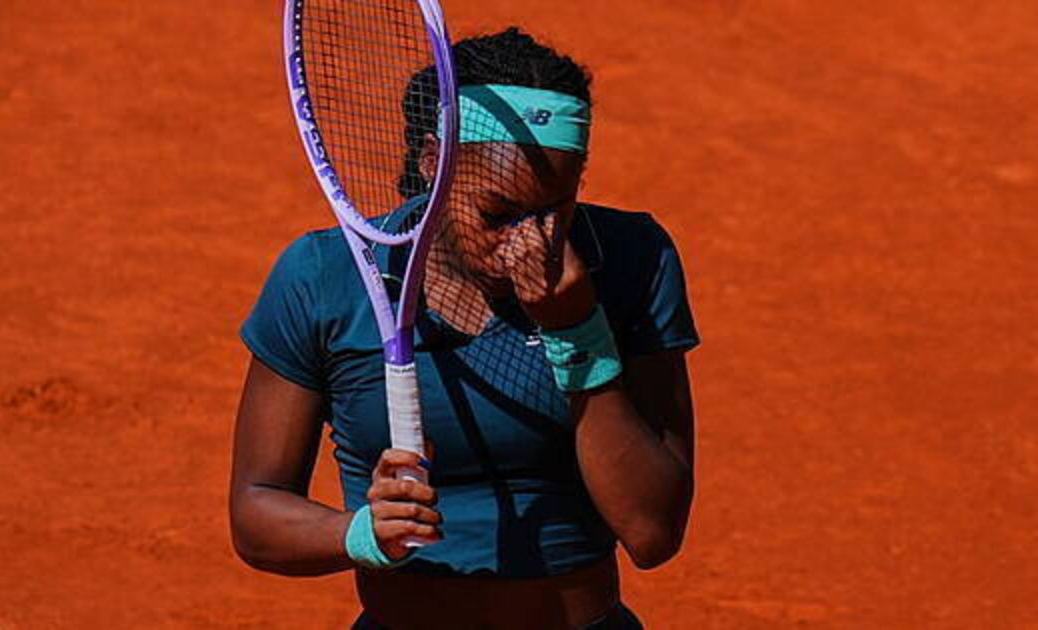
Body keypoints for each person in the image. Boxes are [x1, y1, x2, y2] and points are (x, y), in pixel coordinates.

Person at [230, 27, 698, 630]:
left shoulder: (632, 259)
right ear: (434, 163)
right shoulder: (324, 277)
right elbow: (255, 511)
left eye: (556, 209)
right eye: (497, 214)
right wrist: (359, 534)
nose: (531, 243)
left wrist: (578, 333)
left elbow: (652, 531)